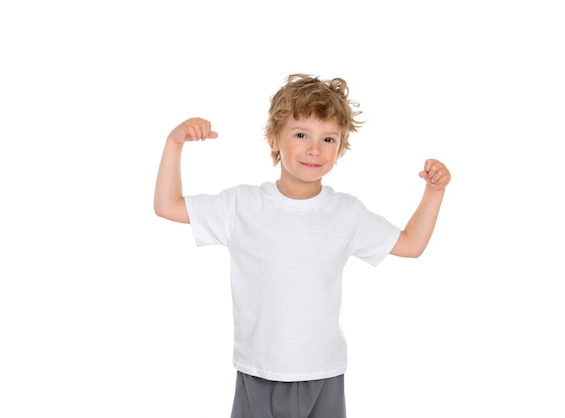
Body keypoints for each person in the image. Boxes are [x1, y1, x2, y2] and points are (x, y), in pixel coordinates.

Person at [154, 73, 451, 417]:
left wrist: (434, 193)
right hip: (259, 370)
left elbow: (411, 244)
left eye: (328, 138)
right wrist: (174, 144)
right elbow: (167, 205)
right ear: (273, 139)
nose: (314, 149)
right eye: (301, 135)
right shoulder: (242, 206)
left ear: (340, 147)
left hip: (324, 372)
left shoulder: (346, 212)